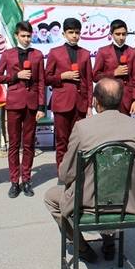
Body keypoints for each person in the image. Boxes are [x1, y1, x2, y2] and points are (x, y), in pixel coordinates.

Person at [43, 78, 135, 263]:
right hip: (127, 204)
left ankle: (82, 247)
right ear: (120, 100)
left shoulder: (83, 128)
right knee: (111, 181)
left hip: (89, 206)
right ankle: (109, 241)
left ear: (96, 102)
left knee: (51, 197)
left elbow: (65, 174)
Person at [0, 21, 46, 198]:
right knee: (14, 144)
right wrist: (16, 76)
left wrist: (41, 107)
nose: (26, 39)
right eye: (23, 36)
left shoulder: (37, 55)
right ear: (16, 36)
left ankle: (27, 180)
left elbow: (41, 82)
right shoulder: (8, 54)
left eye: (29, 36)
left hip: (32, 105)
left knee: (29, 144)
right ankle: (14, 181)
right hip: (14, 104)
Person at [45, 17, 93, 170]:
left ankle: (76, 172)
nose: (74, 36)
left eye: (77, 32)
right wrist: (62, 76)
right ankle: (62, 172)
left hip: (80, 103)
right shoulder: (55, 53)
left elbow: (89, 81)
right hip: (61, 103)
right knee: (62, 141)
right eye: (71, 32)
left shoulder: (85, 54)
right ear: (64, 34)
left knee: (78, 140)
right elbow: (46, 78)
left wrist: (89, 105)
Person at [92, 19, 135, 116]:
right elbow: (95, 76)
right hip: (107, 98)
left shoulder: (132, 52)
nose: (121, 37)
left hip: (126, 99)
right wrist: (113, 73)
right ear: (111, 34)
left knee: (124, 125)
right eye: (118, 34)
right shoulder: (103, 51)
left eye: (124, 34)